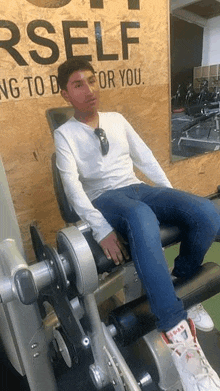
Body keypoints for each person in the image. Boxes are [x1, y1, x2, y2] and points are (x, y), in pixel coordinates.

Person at [54, 58, 220, 390]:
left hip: (138, 189)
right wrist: (101, 229)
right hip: (105, 197)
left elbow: (144, 157)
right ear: (64, 93)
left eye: (92, 80)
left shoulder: (116, 120)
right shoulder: (65, 135)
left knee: (205, 211)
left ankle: (182, 286)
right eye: (78, 84)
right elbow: (73, 188)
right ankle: (179, 344)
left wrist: (175, 201)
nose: (89, 90)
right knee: (141, 218)